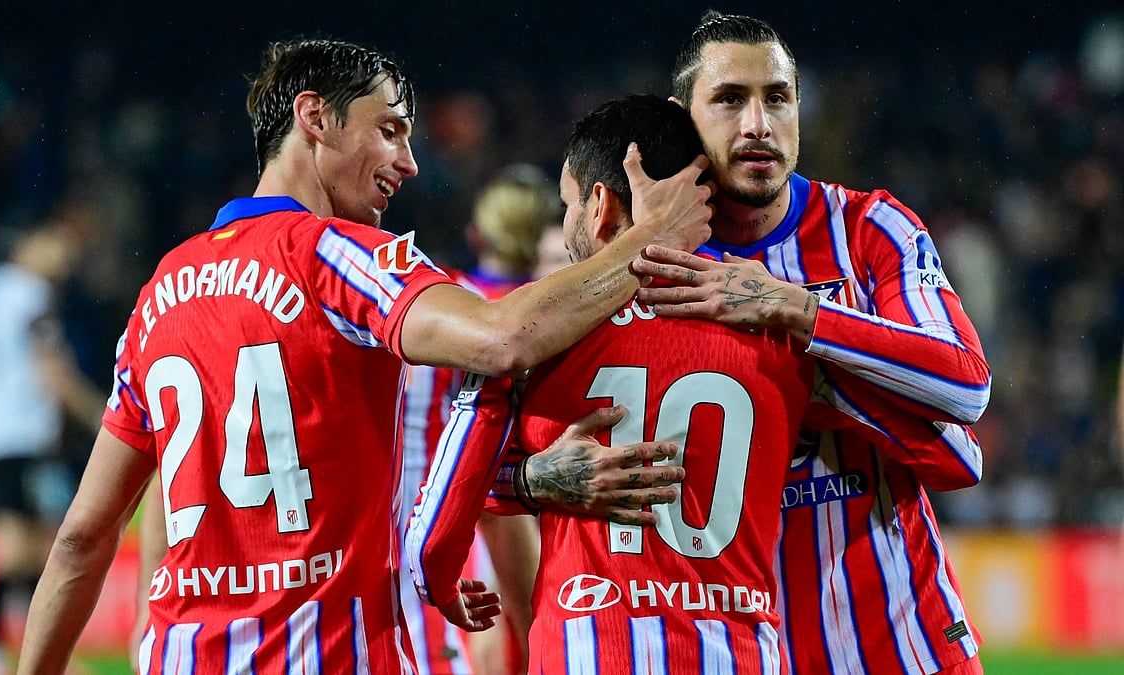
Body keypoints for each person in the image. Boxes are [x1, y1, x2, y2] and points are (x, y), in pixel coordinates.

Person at [16, 38, 713, 674]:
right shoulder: (335, 255)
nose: (409, 163)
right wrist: (652, 239)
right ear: (315, 118)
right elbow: (505, 336)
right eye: (390, 131)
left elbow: (83, 536)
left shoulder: (160, 294)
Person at [406, 94, 982, 673]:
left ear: (600, 205)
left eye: (567, 205)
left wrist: (528, 486)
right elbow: (955, 455)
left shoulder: (525, 334)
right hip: (736, 650)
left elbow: (434, 534)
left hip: (588, 648)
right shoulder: (770, 331)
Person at [618, 13, 988, 674]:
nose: (758, 124)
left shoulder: (870, 227)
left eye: (778, 98)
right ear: (681, 118)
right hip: (739, 652)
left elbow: (965, 393)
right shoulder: (644, 267)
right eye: (730, 99)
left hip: (903, 646)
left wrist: (790, 308)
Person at [397, 164, 557, 674]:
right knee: (531, 630)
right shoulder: (555, 312)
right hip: (522, 495)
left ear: (478, 233)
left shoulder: (445, 299)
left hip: (442, 494)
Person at [0, 216, 105, 675]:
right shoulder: (30, 295)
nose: (64, 257)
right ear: (29, 241)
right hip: (19, 429)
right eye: (55, 244)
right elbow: (52, 369)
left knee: (20, 539)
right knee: (21, 544)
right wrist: (100, 413)